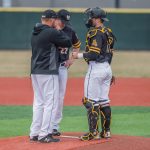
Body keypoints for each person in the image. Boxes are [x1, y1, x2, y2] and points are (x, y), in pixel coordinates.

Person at [72, 7, 116, 141]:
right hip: (107, 68)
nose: (89, 19)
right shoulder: (108, 31)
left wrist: (77, 55)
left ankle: (93, 133)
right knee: (104, 101)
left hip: (96, 69)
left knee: (90, 101)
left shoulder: (96, 32)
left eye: (91, 16)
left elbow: (94, 54)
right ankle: (106, 132)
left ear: (97, 18)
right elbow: (110, 52)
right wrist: (108, 69)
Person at [30, 9, 72, 143]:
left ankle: (34, 133)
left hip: (35, 71)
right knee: (51, 103)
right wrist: (59, 29)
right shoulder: (52, 32)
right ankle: (44, 134)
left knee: (38, 103)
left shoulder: (35, 31)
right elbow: (67, 42)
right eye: (55, 19)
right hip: (48, 71)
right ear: (52, 19)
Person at [51, 9, 81, 136]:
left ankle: (55, 126)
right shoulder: (49, 29)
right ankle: (45, 125)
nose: (63, 23)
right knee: (49, 97)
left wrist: (72, 59)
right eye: (62, 21)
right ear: (56, 18)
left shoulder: (70, 30)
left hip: (63, 66)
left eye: (65, 21)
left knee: (60, 97)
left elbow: (77, 45)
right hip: (49, 67)